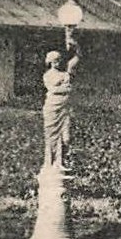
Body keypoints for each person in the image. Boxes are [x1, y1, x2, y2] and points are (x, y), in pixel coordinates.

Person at [42, 40, 80, 168]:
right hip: (52, 108)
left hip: (64, 109)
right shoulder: (47, 75)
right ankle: (51, 162)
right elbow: (54, 90)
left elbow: (74, 64)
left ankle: (62, 160)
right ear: (50, 62)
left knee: (66, 138)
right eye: (55, 60)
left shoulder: (65, 75)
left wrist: (76, 49)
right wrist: (64, 89)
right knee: (52, 137)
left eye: (59, 60)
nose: (58, 62)